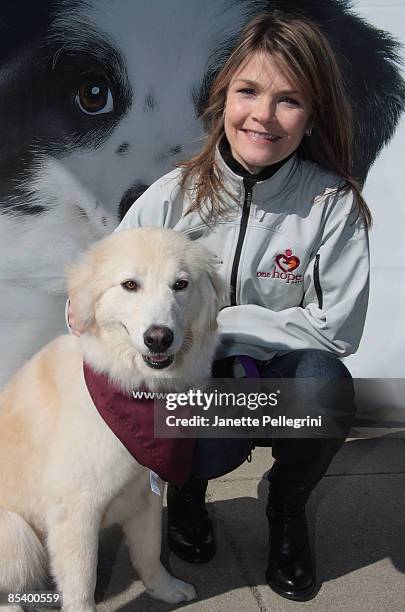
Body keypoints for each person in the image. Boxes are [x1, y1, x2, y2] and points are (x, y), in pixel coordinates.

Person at [69, 11, 370, 602]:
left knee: (325, 388)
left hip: (274, 379)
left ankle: (286, 516)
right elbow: (105, 286)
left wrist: (228, 332)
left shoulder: (333, 206)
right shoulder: (172, 194)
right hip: (190, 387)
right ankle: (187, 497)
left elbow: (337, 331)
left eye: (289, 100)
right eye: (248, 91)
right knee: (201, 430)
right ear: (223, 100)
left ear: (311, 118)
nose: (263, 114)